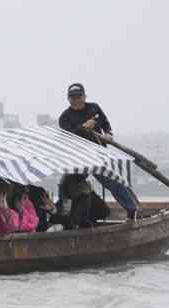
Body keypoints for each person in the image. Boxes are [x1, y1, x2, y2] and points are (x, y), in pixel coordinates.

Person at [58, 82, 140, 219]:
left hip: (98, 155)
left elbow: (106, 124)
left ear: (84, 96)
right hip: (78, 158)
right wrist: (84, 127)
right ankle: (64, 216)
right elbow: (69, 137)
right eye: (73, 97)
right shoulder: (65, 117)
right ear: (68, 99)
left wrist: (109, 134)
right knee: (65, 185)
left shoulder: (94, 108)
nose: (76, 100)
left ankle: (133, 210)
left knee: (113, 182)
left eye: (79, 97)